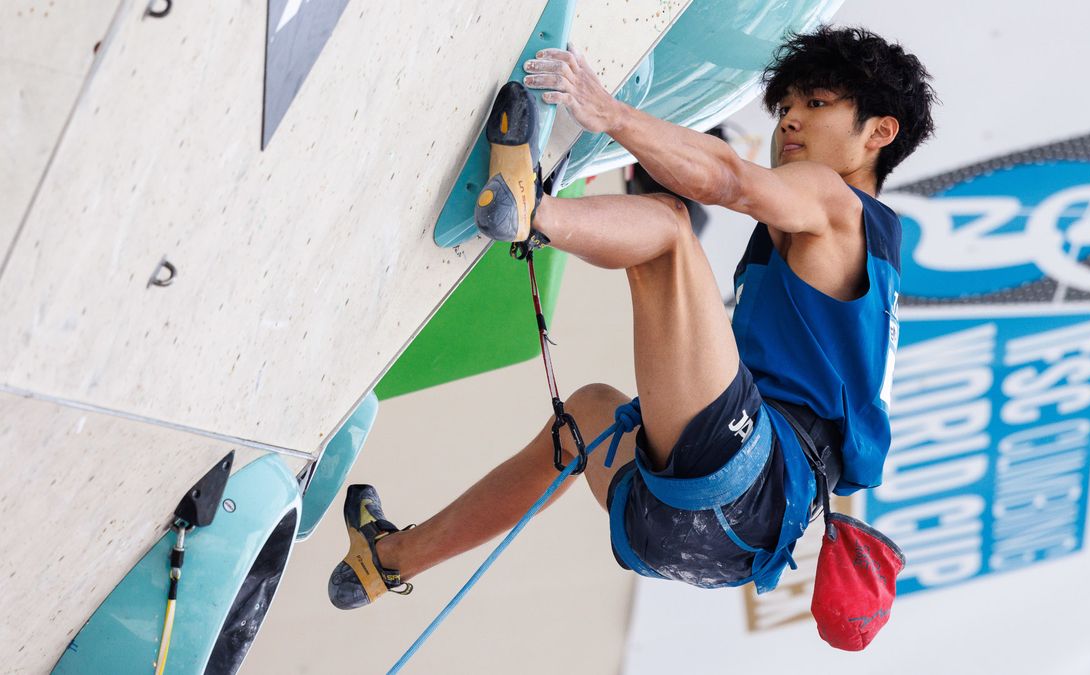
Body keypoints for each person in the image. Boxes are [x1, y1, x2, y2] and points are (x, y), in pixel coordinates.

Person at [328, 26, 936, 609]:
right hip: (712, 549)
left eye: (817, 102)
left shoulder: (837, 201)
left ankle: (530, 210)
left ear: (880, 132)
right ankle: (387, 562)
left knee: (670, 228)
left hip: (747, 481)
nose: (789, 121)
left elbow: (729, 179)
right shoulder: (864, 254)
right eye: (783, 108)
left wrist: (609, 113)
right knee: (584, 417)